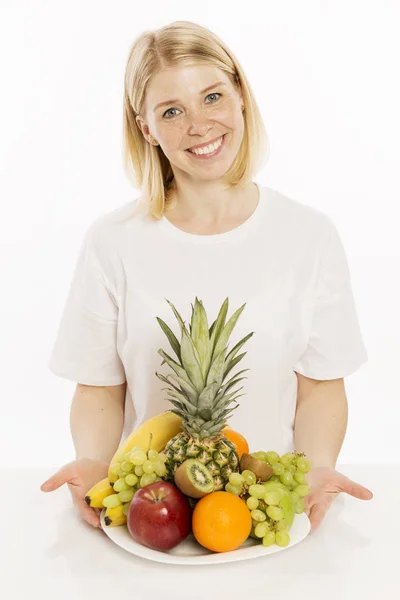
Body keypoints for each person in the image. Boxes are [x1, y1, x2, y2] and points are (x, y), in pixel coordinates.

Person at [40, 20, 373, 532]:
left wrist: (319, 465)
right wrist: (94, 462)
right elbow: (100, 387)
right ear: (146, 128)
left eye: (212, 96)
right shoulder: (113, 241)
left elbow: (322, 384)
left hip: (272, 510)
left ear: (240, 95)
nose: (199, 125)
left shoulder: (309, 235)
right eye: (172, 111)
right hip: (152, 520)